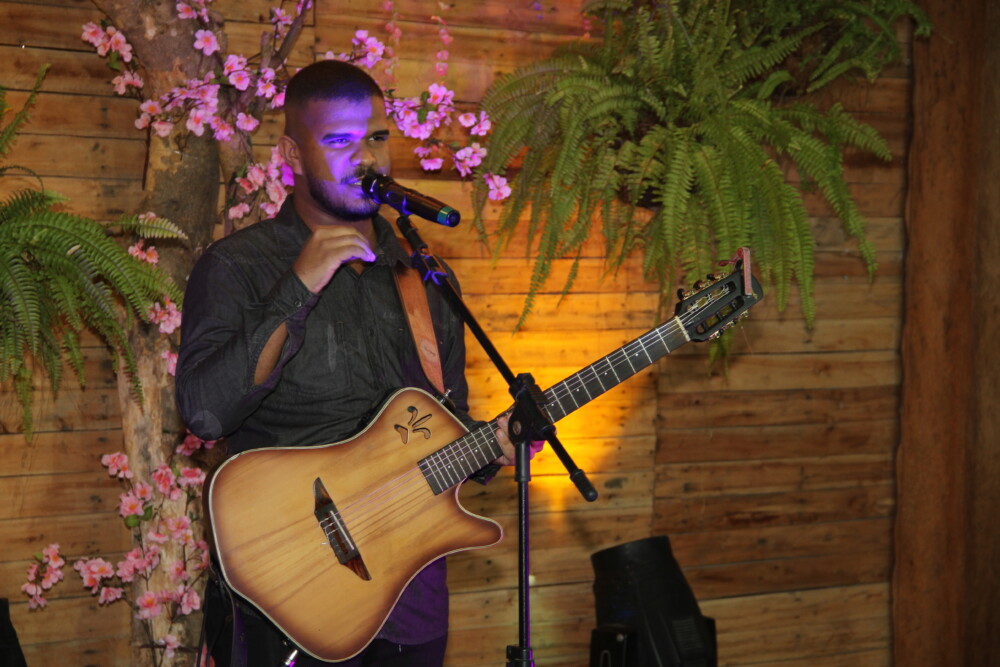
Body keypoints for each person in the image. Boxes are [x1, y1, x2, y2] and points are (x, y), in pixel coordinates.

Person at [176, 60, 532, 666]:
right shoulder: (238, 266)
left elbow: (445, 426)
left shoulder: (424, 278)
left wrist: (494, 446)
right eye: (339, 141)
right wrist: (299, 285)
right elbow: (206, 413)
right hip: (291, 599)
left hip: (413, 600)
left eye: (376, 137)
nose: (365, 157)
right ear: (292, 153)